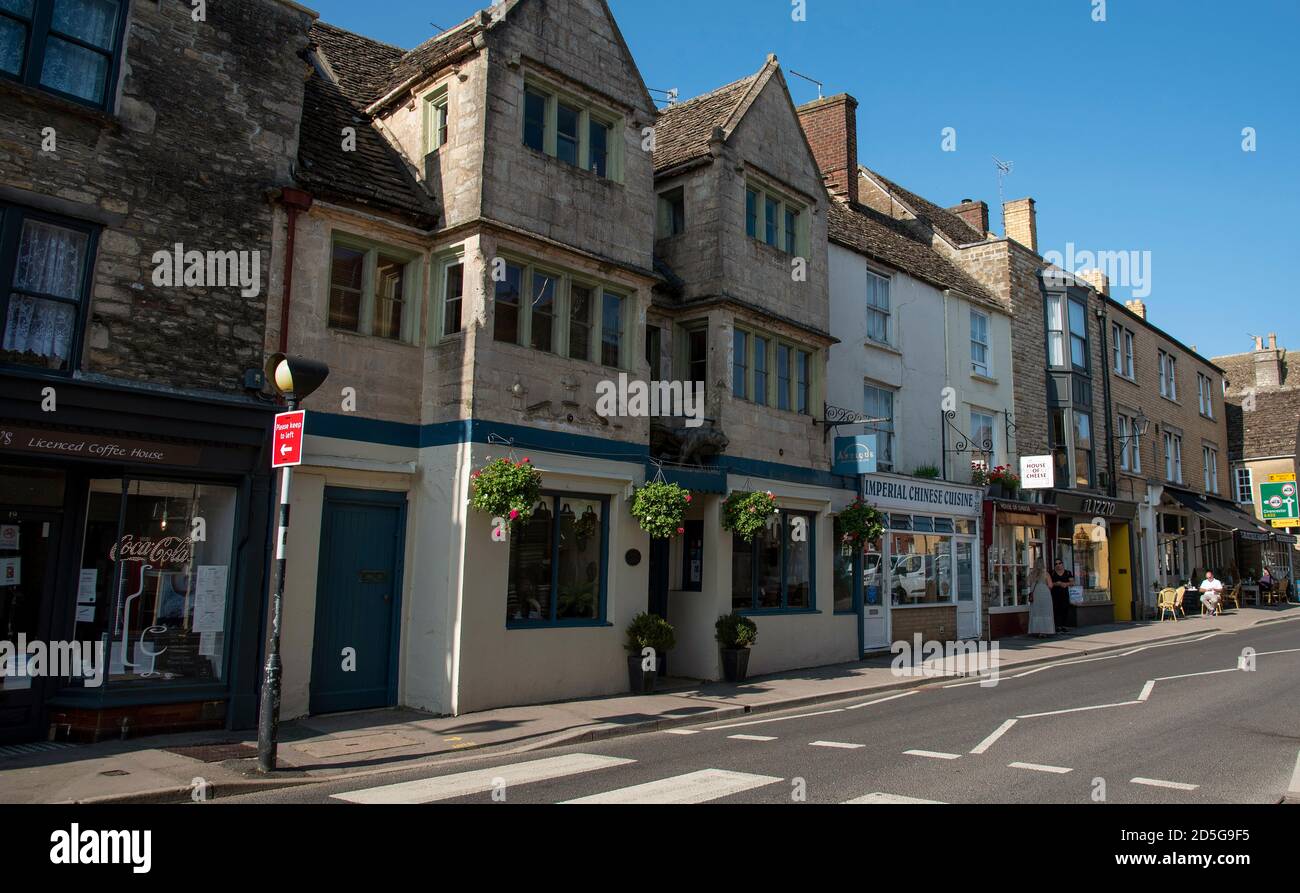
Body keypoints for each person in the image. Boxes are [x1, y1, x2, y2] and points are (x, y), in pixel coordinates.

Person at [1027, 564, 1056, 637]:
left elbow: (1027, 584)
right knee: (1046, 612)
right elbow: (1050, 585)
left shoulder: (1031, 574)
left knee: (1036, 612)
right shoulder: (1046, 574)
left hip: (1035, 594)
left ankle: (1036, 630)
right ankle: (1045, 631)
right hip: (1045, 594)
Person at [1049, 559, 1074, 633]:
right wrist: (1057, 583)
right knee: (1056, 610)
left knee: (1065, 609)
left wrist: (1065, 584)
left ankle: (1064, 626)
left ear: (1062, 564)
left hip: (1065, 594)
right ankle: (1057, 626)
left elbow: (1072, 582)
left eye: (1059, 563)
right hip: (1055, 595)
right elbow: (1049, 583)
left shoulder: (1068, 572)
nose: (1058, 565)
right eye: (1056, 564)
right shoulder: (1052, 573)